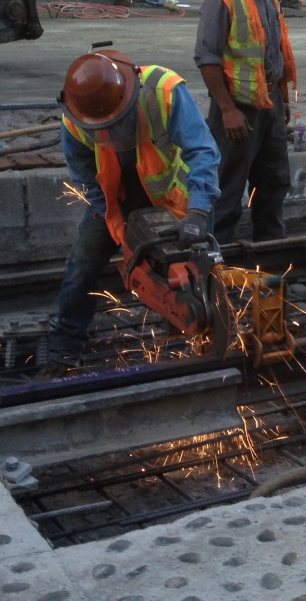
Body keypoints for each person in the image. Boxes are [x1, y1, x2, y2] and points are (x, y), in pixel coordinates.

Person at [40, 50, 221, 375]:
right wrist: (120, 229)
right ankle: (63, 351)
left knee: (195, 272)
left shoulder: (164, 91)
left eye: (116, 124)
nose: (110, 135)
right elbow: (86, 180)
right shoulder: (75, 120)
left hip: (173, 197)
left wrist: (198, 210)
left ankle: (199, 343)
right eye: (103, 128)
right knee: (81, 267)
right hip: (116, 201)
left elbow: (203, 150)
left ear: (129, 95)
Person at [194, 0, 298, 246]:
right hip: (237, 111)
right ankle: (218, 271)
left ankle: (271, 261)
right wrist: (226, 110)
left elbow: (272, 52)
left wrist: (280, 102)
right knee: (227, 190)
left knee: (273, 185)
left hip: (268, 106)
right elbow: (206, 57)